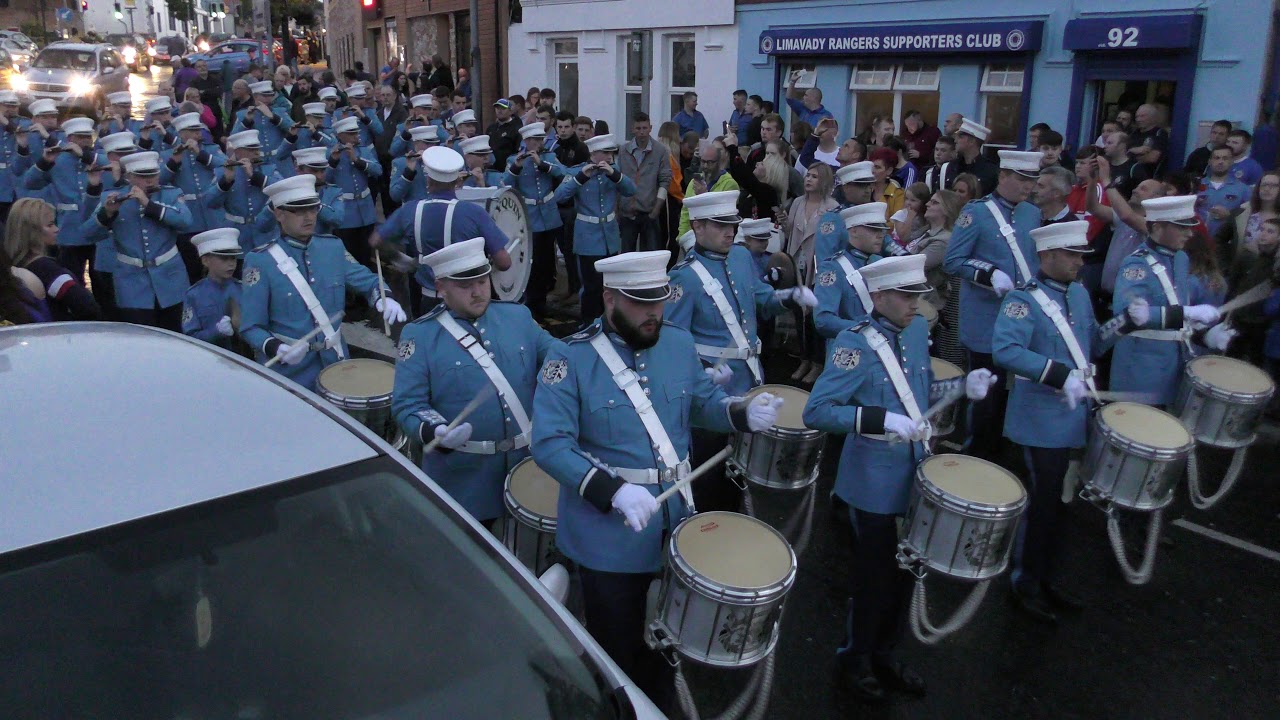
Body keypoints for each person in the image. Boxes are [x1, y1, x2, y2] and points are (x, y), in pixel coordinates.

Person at [531, 249, 779, 710]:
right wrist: (613, 491)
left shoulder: (678, 343)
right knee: (617, 648)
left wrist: (741, 411)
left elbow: (701, 402)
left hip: (673, 518)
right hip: (608, 537)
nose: (654, 313)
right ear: (609, 298)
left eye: (659, 300)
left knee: (665, 640)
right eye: (641, 302)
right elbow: (549, 444)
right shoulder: (571, 358)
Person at [804, 253, 995, 703]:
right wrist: (880, 420)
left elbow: (921, 392)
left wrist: (961, 388)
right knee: (874, 579)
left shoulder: (912, 333)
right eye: (907, 296)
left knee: (906, 570)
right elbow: (818, 411)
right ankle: (855, 657)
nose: (916, 304)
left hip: (914, 473)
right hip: (871, 483)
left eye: (917, 295)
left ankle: (886, 653)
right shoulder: (854, 344)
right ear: (879, 296)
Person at [993, 221, 1137, 623]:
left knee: (1062, 504)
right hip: (1040, 419)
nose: (1080, 263)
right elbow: (1005, 350)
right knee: (1042, 503)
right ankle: (1025, 581)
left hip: (1074, 416)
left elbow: (1092, 342)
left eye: (1081, 256)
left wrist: (1125, 322)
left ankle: (1048, 577)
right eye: (1072, 255)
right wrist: (1059, 375)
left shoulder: (1077, 292)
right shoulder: (1023, 300)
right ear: (1047, 256)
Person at [665, 190, 813, 511]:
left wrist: (789, 298)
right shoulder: (684, 277)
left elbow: (760, 297)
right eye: (720, 225)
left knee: (745, 465)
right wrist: (700, 371)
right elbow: (672, 344)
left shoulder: (742, 257)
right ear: (699, 226)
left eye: (732, 223)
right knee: (710, 470)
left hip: (751, 377)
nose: (730, 231)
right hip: (712, 390)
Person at [392, 237, 556, 523]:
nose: (478, 292)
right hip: (464, 479)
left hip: (526, 468)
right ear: (441, 287)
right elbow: (408, 404)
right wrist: (434, 430)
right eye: (465, 286)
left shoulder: (517, 316)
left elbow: (559, 360)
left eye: (482, 281)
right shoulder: (420, 336)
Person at [240, 174, 405, 390]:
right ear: (279, 213)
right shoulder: (260, 261)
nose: (308, 217)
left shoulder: (332, 247)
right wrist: (274, 347)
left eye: (312, 209)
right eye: (298, 211)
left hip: (334, 361)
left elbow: (367, 280)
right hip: (289, 371)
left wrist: (384, 297)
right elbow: (251, 326)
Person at [943, 150, 1043, 462]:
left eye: (1032, 180)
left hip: (1021, 318)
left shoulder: (1031, 214)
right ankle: (975, 454)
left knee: (1016, 391)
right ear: (1003, 177)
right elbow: (953, 260)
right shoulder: (977, 212)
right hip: (986, 318)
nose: (1027, 186)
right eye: (1021, 179)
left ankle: (1004, 453)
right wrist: (987, 273)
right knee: (986, 394)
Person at [1111, 196, 1234, 405]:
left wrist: (1203, 335)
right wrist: (1187, 313)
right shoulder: (1136, 264)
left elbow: (1175, 308)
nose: (1190, 233)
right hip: (1141, 367)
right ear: (1158, 227)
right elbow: (1125, 313)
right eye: (1181, 227)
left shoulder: (1180, 258)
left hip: (1172, 363)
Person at [372, 146, 512, 316]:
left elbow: (376, 240)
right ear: (457, 181)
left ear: (428, 180)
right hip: (467, 301)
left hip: (428, 298)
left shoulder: (409, 210)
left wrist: (406, 262)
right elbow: (504, 263)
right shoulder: (474, 212)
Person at [82, 152, 194, 331]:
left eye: (153, 174)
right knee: (141, 334)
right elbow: (87, 234)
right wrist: (108, 214)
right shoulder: (113, 198)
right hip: (131, 282)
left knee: (176, 334)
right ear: (129, 177)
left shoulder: (170, 194)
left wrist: (149, 204)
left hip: (170, 279)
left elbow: (186, 221)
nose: (149, 180)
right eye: (142, 176)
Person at [554, 134, 638, 324]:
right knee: (591, 286)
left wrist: (614, 175)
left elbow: (631, 190)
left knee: (609, 284)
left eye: (611, 152)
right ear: (593, 153)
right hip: (587, 237)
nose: (609, 156)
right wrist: (580, 178)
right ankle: (589, 323)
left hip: (609, 235)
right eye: (605, 152)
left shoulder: (613, 171)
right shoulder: (578, 171)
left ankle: (608, 321)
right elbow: (559, 196)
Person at [22, 116, 98, 292]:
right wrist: (44, 162)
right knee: (72, 276)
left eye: (88, 137)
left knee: (102, 281)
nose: (86, 141)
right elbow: (30, 183)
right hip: (69, 228)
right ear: (70, 139)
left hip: (97, 227)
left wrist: (86, 156)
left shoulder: (96, 158)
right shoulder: (59, 160)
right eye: (81, 137)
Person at [781, 162, 838, 380]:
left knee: (814, 317)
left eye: (814, 176)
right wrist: (785, 223)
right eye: (807, 176)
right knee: (798, 315)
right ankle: (803, 359)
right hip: (797, 264)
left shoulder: (832, 207)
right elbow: (791, 233)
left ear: (823, 180)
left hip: (817, 266)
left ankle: (817, 362)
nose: (808, 179)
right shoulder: (796, 202)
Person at [3, 197, 101, 320]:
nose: (56, 229)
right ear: (32, 231)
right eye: (50, 225)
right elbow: (87, 306)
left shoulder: (13, 265)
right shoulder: (48, 270)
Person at [504, 122, 565, 319]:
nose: (538, 143)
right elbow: (506, 183)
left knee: (547, 261)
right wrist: (516, 166)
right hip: (529, 215)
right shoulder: (514, 159)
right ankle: (531, 301)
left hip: (548, 213)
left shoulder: (549, 157)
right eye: (534, 140)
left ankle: (543, 300)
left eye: (540, 139)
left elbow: (561, 173)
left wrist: (541, 163)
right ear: (526, 140)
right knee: (533, 261)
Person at [814, 201, 887, 343]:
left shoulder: (881, 263)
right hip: (849, 350)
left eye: (882, 230)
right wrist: (866, 328)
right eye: (874, 229)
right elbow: (823, 320)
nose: (880, 235)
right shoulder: (832, 268)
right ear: (853, 231)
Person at [206, 130, 283, 255]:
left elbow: (283, 188)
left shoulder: (268, 169)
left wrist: (255, 177)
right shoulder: (223, 171)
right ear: (238, 152)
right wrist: (226, 182)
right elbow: (210, 202)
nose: (257, 152)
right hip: (237, 235)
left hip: (265, 233)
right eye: (251, 150)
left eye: (257, 148)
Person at [326, 116, 382, 268]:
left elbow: (378, 170)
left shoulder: (362, 151)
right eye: (352, 133)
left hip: (365, 211)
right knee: (349, 256)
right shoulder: (330, 152)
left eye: (356, 132)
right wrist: (333, 161)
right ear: (341, 136)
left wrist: (357, 160)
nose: (357, 136)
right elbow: (324, 179)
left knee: (366, 254)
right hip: (346, 214)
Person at [617, 112, 672, 254]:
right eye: (638, 128)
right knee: (626, 255)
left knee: (650, 256)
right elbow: (617, 180)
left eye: (644, 128)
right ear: (632, 129)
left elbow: (665, 181)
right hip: (627, 212)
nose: (641, 132)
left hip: (649, 212)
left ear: (650, 128)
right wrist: (617, 210)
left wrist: (656, 210)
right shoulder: (623, 151)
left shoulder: (660, 151)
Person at [181, 228, 242, 350]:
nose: (231, 264)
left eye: (233, 258)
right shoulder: (194, 295)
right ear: (206, 260)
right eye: (224, 259)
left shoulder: (243, 289)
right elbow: (190, 338)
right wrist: (216, 331)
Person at [813, 160, 877, 262]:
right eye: (861, 185)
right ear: (846, 187)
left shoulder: (875, 215)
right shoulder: (833, 218)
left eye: (870, 185)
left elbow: (888, 244)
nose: (867, 190)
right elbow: (824, 258)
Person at [677, 138, 739, 238]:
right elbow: (685, 212)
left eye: (710, 162)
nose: (705, 166)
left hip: (716, 238)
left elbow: (724, 217)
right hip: (692, 237)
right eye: (703, 161)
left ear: (718, 162)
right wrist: (682, 237)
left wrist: (704, 196)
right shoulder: (694, 182)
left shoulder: (730, 184)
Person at [723, 128, 787, 222]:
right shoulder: (752, 191)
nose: (757, 163)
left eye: (762, 164)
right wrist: (734, 147)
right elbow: (740, 175)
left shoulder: (769, 193)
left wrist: (732, 147)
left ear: (771, 172)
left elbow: (744, 177)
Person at [1197, 145, 1252, 240]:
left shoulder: (1243, 189)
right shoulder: (1195, 186)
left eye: (1225, 158)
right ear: (1209, 161)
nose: (1220, 162)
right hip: (1197, 240)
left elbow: (1249, 215)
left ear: (1231, 162)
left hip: (1226, 242)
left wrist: (1230, 215)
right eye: (1217, 158)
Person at [953, 118, 1000, 196]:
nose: (955, 141)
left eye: (960, 137)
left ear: (971, 141)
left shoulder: (990, 171)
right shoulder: (951, 167)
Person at [1238, 171, 1280, 254]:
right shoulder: (1242, 212)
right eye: (1264, 185)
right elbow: (1220, 239)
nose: (1267, 189)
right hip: (1242, 264)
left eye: (1273, 186)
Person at [1127, 104, 1170, 179]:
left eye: (1142, 116)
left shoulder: (1159, 133)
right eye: (1137, 116)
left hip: (1149, 178)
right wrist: (1134, 151)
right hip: (1130, 176)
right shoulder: (1133, 134)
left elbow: (1153, 158)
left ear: (1153, 117)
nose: (1138, 119)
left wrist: (1130, 156)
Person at [485, 98, 523, 170]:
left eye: (503, 108)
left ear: (510, 111)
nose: (499, 111)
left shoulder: (516, 129)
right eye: (497, 108)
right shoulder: (491, 128)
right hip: (491, 168)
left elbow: (517, 150)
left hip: (507, 168)